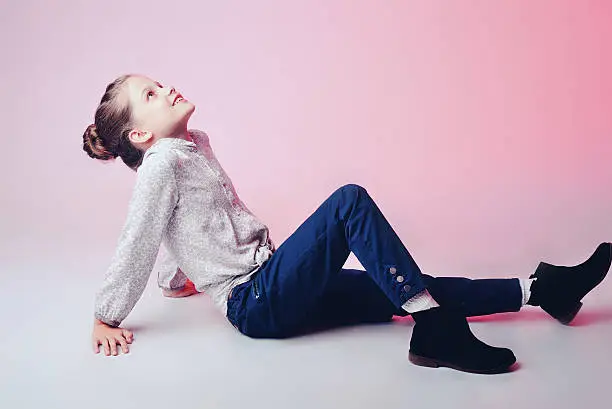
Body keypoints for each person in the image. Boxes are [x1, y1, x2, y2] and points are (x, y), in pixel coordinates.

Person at [84, 74, 611, 375]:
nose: (165, 87)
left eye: (157, 83)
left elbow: (181, 227)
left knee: (404, 286)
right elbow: (141, 237)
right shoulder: (159, 167)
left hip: (274, 282)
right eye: (149, 96)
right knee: (348, 202)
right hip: (257, 301)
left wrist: (177, 281)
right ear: (138, 137)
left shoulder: (191, 146)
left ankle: (543, 289)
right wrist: (107, 315)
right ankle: (433, 331)